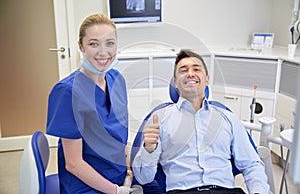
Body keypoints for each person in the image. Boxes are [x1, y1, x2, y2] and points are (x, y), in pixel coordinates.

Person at [132, 49, 270, 194]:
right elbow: (143, 179)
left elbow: (252, 165)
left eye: (196, 69)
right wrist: (149, 149)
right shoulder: (159, 118)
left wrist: (258, 191)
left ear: (206, 79)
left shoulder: (227, 118)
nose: (190, 73)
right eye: (183, 70)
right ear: (175, 82)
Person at [46, 13, 142, 194]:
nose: (103, 52)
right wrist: (116, 191)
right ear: (81, 46)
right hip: (86, 185)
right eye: (93, 43)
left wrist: (129, 169)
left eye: (109, 43)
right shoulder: (67, 92)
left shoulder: (117, 80)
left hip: (118, 174)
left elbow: (117, 137)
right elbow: (74, 164)